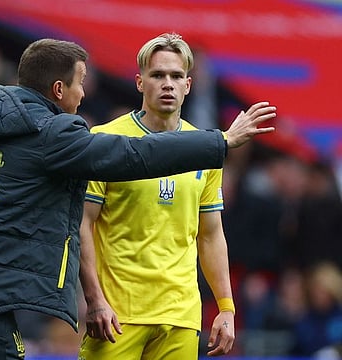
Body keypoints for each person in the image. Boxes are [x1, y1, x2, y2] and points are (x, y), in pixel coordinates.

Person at [0, 37, 276, 360]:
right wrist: (221, 141)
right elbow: (135, 156)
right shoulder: (52, 135)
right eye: (80, 83)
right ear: (58, 90)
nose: (85, 92)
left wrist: (225, 305)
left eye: (177, 76)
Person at [78, 33, 255, 360]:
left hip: (180, 317)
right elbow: (82, 225)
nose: (167, 83)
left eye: (176, 76)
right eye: (157, 75)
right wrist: (94, 300)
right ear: (139, 82)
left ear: (188, 85)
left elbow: (211, 234)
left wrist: (226, 307)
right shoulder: (105, 141)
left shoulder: (205, 148)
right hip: (118, 315)